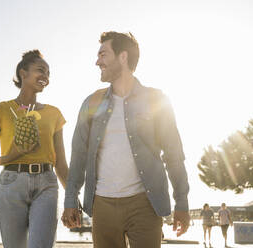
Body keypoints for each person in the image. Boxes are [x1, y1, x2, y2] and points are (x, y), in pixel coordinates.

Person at [62, 31, 190, 248]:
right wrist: (70, 199)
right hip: (102, 205)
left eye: (103, 54)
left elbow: (174, 155)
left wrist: (182, 203)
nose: (97, 61)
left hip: (144, 204)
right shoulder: (91, 102)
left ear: (122, 56)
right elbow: (78, 156)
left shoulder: (157, 100)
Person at [0, 50, 69, 248]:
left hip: (46, 183)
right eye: (40, 70)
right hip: (11, 183)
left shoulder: (54, 114)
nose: (45, 76)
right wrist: (10, 156)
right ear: (23, 73)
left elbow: (60, 162)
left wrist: (71, 197)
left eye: (48, 73)